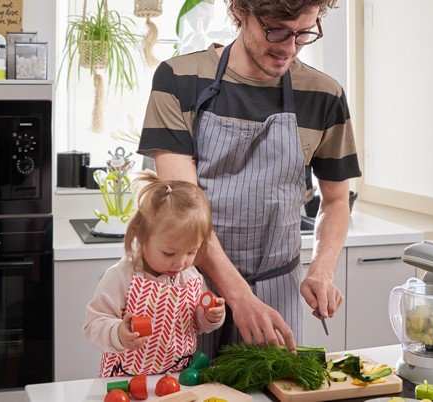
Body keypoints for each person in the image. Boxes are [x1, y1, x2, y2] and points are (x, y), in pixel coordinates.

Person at [137, 0, 360, 355]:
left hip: (277, 293)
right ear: (241, 11)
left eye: (303, 33)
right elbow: (184, 207)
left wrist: (322, 270)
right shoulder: (179, 80)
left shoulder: (324, 95)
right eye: (277, 31)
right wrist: (239, 297)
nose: (289, 48)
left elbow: (335, 200)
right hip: (192, 289)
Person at [83, 172, 226, 377]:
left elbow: (194, 324)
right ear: (141, 237)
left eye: (191, 252)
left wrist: (210, 317)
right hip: (126, 377)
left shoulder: (192, 276)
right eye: (169, 253)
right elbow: (93, 324)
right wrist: (119, 334)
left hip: (177, 377)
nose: (180, 262)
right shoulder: (122, 276)